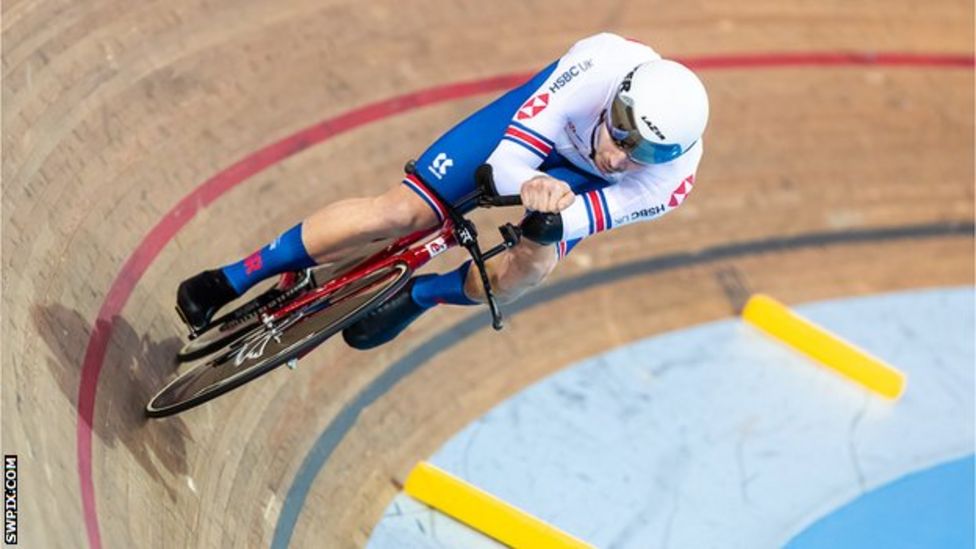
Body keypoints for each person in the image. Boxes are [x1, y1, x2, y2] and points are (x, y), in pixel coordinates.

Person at [176, 32, 709, 350]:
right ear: (617, 100)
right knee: (402, 211)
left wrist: (544, 220)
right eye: (621, 133)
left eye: (642, 153)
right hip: (529, 135)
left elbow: (582, 217)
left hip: (577, 188)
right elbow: (505, 163)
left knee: (530, 269)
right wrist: (529, 183)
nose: (620, 156)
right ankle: (232, 278)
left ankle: (420, 294)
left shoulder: (670, 178)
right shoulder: (598, 66)